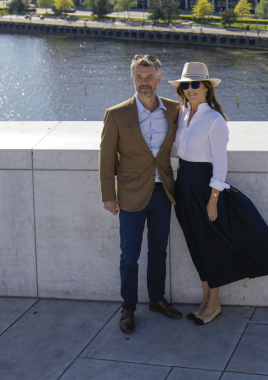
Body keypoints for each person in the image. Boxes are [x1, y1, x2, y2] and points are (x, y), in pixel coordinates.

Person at [169, 62, 268, 326]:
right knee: (196, 246)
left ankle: (214, 304)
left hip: (203, 190)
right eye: (185, 85)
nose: (190, 89)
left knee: (212, 247)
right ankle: (205, 301)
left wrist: (213, 200)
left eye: (195, 84)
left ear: (207, 87)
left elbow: (220, 164)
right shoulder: (183, 114)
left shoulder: (215, 120)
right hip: (184, 187)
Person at [99, 54, 182, 334]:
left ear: (159, 80)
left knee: (159, 250)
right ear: (132, 78)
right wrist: (108, 195)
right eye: (139, 77)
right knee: (129, 255)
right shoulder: (116, 114)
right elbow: (106, 158)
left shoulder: (174, 110)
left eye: (149, 77)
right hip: (131, 193)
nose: (144, 82)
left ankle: (157, 299)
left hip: (163, 192)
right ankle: (128, 308)